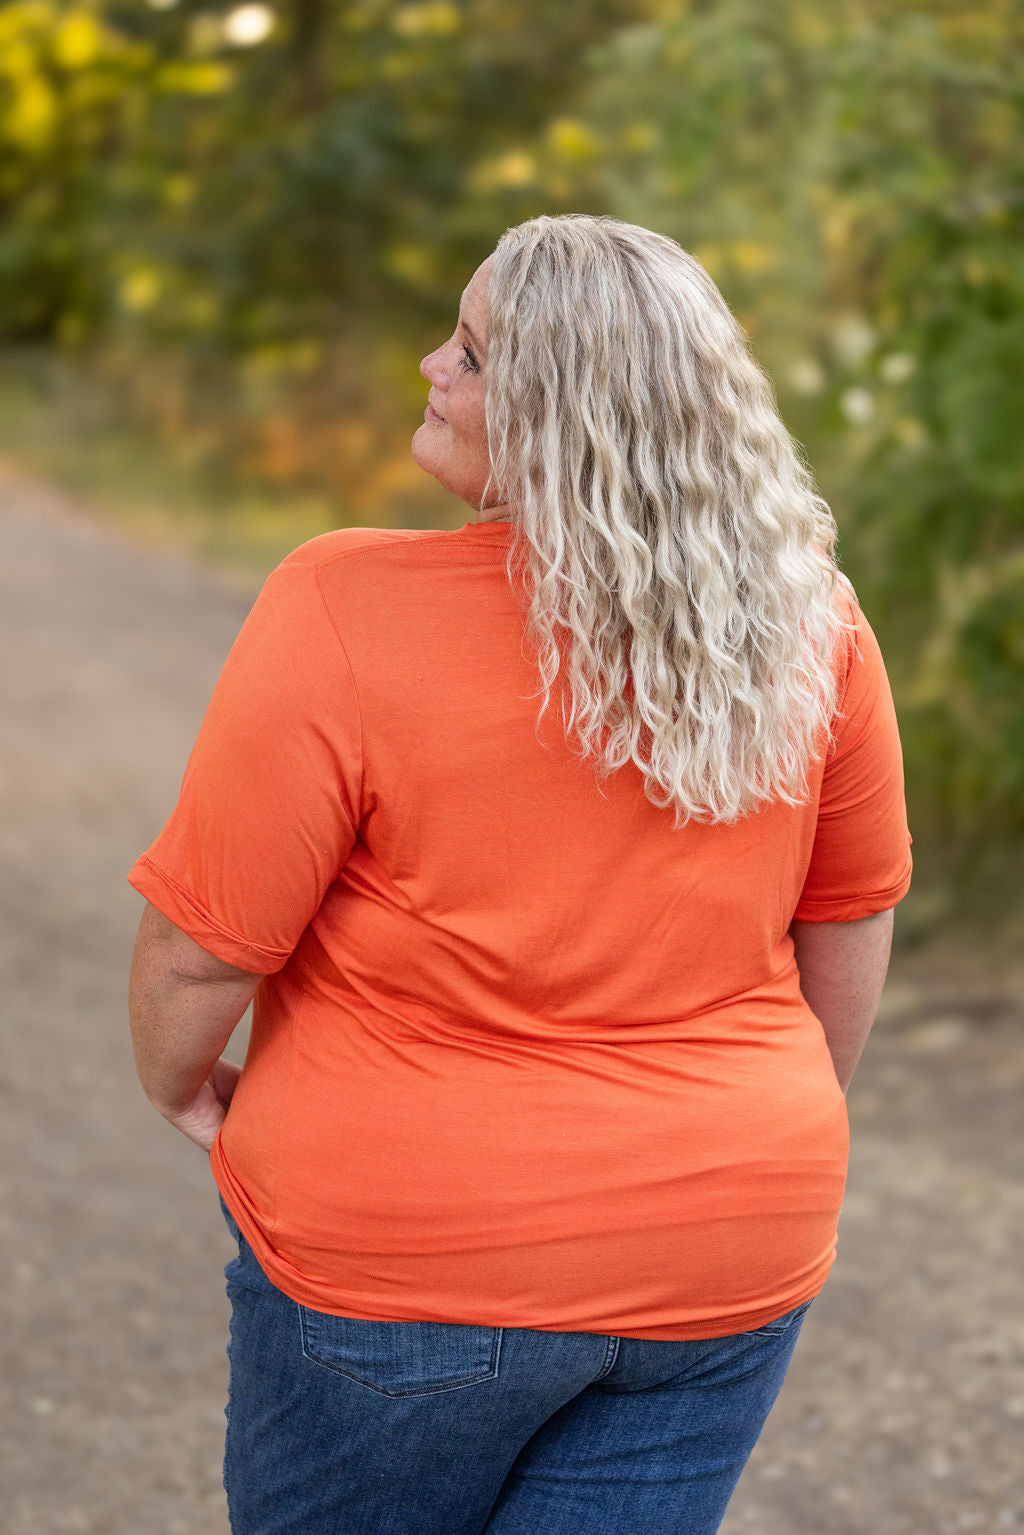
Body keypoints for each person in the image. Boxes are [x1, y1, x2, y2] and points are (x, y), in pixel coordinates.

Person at [126, 213, 912, 1535]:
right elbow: (850, 922)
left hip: (406, 1267)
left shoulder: (341, 604)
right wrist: (729, 1127)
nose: (433, 365)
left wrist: (180, 1085)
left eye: (477, 356)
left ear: (569, 420)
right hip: (727, 1246)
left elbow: (203, 949)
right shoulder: (812, 624)